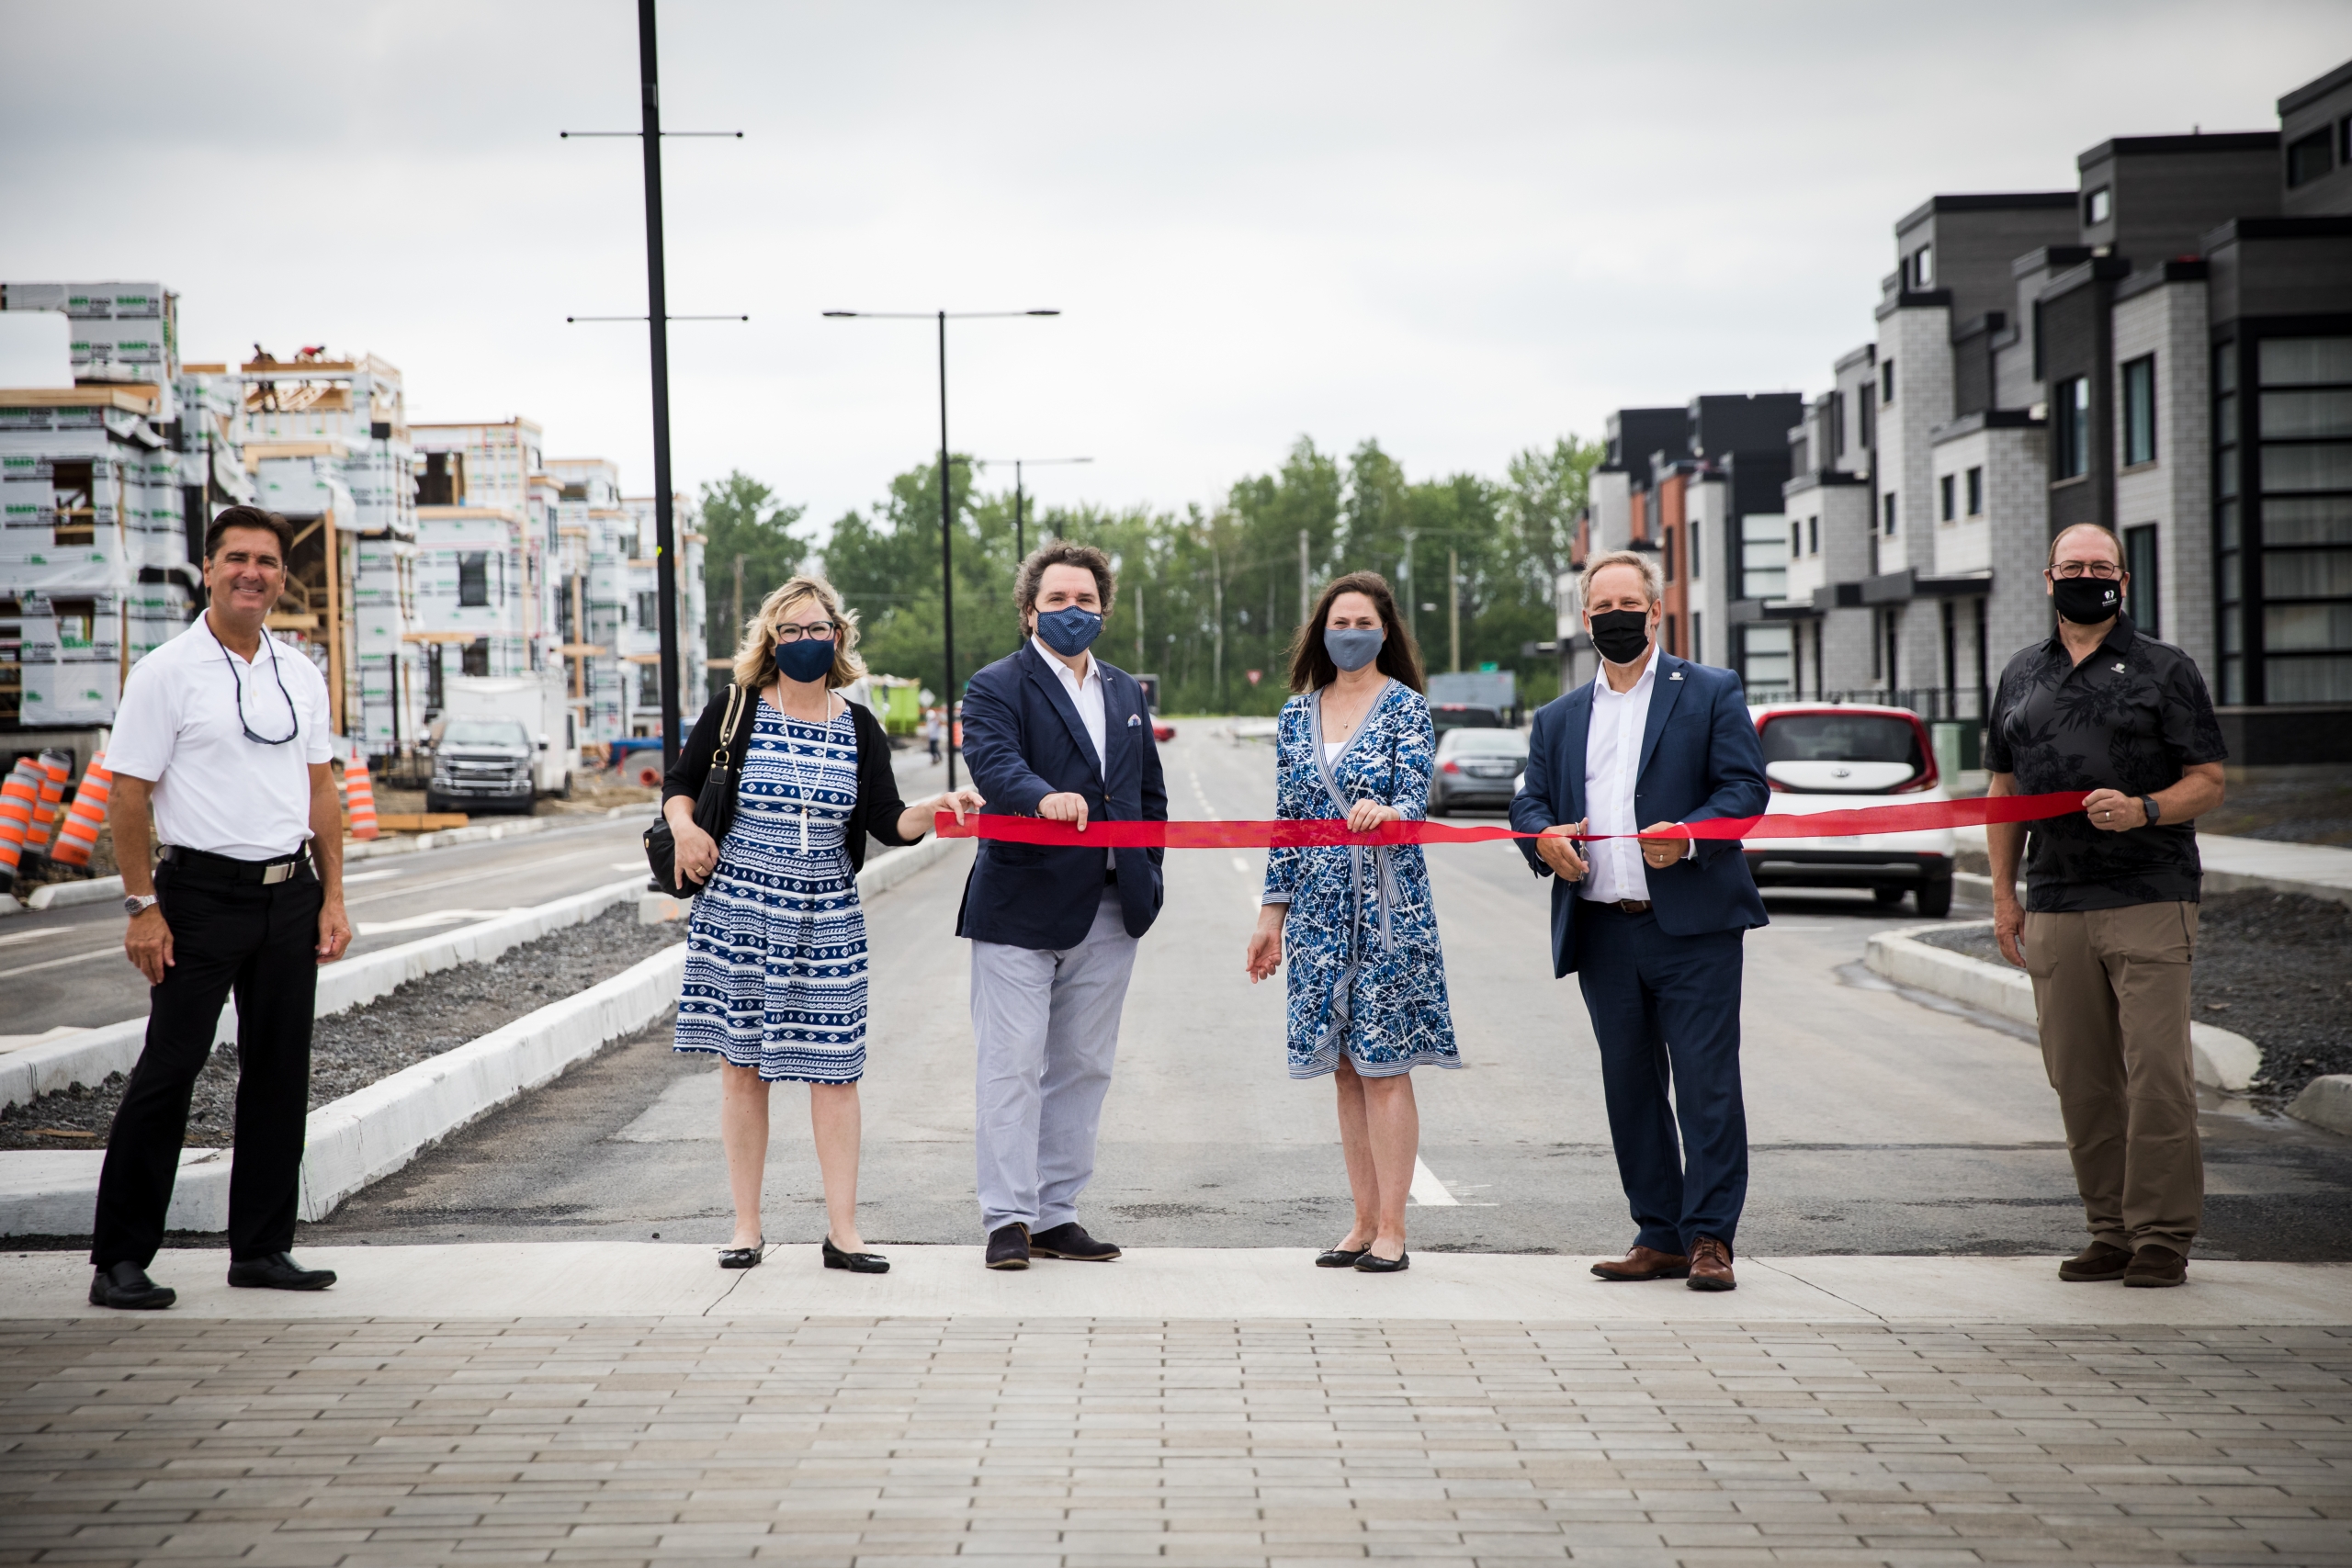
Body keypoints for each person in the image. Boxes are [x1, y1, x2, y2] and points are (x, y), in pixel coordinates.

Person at [663, 575, 983, 1274]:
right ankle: (746, 1227)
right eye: (790, 631)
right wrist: (685, 831)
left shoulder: (860, 725)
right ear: (770, 640)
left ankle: (844, 1231)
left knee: (835, 1071)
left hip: (826, 918)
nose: (804, 642)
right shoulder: (736, 708)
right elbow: (679, 786)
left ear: (838, 637)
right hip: (741, 915)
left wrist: (935, 806)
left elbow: (885, 823)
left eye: (816, 629)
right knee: (743, 1071)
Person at [87, 504, 354, 1310]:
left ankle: (263, 1248)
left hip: (288, 894)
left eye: (267, 561)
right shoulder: (167, 671)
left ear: (281, 576)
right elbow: (127, 795)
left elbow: (321, 789)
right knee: (169, 1070)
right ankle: (120, 1259)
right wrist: (143, 906)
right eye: (236, 558)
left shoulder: (300, 672)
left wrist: (333, 894)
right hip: (197, 899)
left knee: (279, 1074)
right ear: (207, 569)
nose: (252, 572)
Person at [1510, 549, 1769, 1292]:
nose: (1616, 617)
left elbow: (1744, 790)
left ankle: (1710, 1238)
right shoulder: (1558, 717)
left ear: (1656, 613)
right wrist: (1543, 838)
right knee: (1630, 1085)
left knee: (1705, 1083)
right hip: (1603, 930)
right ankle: (1657, 1232)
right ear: (1584, 618)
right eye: (1602, 608)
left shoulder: (1711, 691)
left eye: (1630, 604)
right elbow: (1527, 802)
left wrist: (1687, 834)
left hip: (1694, 928)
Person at [1987, 522, 2227, 1289]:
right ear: (2047, 576)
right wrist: (2004, 896)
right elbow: (2003, 792)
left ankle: (2162, 1235)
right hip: (2054, 898)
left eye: (2102, 565)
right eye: (2073, 565)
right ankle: (2110, 1231)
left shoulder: (2165, 668)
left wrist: (2146, 809)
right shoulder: (2021, 674)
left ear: (2123, 578)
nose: (2087, 575)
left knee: (2157, 1070)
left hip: (2150, 894)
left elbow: (2209, 780)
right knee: (2079, 1076)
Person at [956, 542, 1168, 1270]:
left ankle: (1056, 1213)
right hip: (1019, 905)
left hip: (1111, 909)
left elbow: (1147, 793)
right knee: (1011, 1066)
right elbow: (993, 763)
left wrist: (1150, 870)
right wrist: (1042, 796)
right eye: (1057, 601)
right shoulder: (994, 686)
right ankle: (1008, 1218)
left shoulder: (1123, 692)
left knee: (1082, 1066)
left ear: (1102, 609)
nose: (1072, 612)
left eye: (1085, 601)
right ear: (1028, 612)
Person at [1245, 572, 1457, 1274]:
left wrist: (1388, 812)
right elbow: (1288, 821)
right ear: (1322, 629)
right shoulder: (1292, 715)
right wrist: (1270, 916)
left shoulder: (1406, 709)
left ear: (1385, 631)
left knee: (1383, 1065)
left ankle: (1394, 1228)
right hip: (1315, 914)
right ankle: (1362, 1221)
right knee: (1343, 1068)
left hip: (1387, 910)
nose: (1351, 632)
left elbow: (1415, 802)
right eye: (1340, 620)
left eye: (1364, 621)